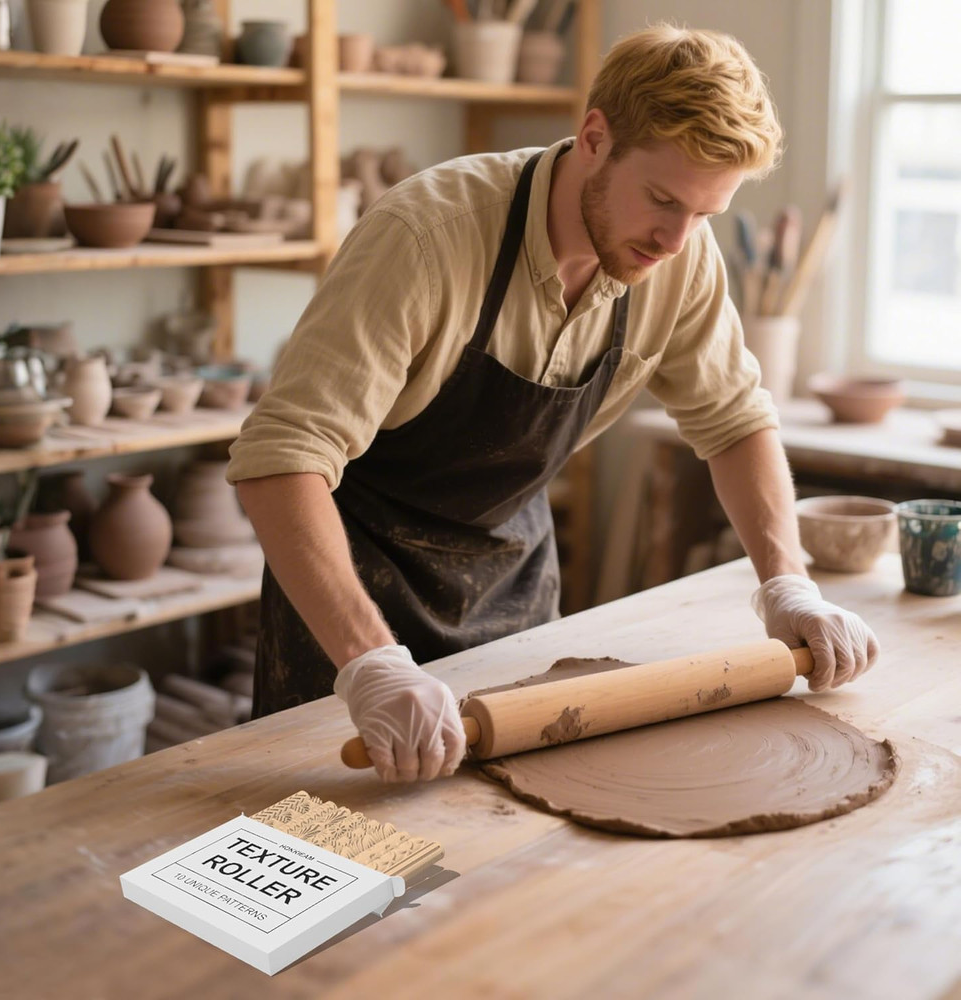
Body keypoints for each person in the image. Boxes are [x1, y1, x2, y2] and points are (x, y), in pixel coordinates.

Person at [228, 24, 879, 784]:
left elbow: (734, 420)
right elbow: (282, 461)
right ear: (594, 138)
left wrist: (787, 584)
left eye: (704, 214)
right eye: (662, 200)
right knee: (333, 842)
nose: (676, 240)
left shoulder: (679, 256)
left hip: (511, 584)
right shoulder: (425, 238)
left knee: (507, 832)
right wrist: (371, 665)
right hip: (351, 596)